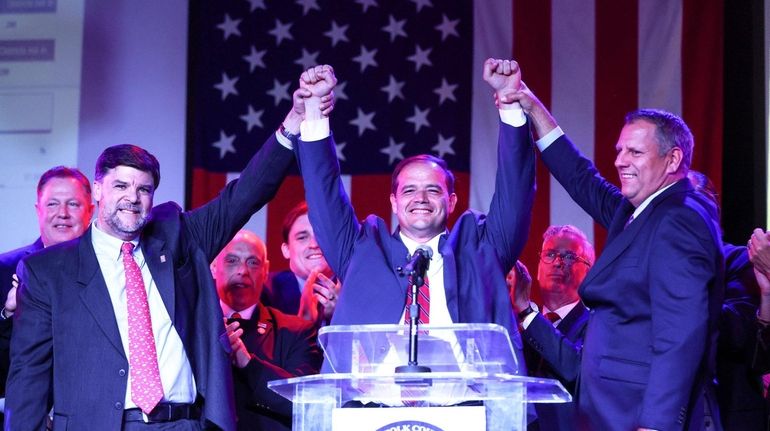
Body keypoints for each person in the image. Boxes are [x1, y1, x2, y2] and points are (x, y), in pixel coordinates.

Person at [6, 68, 334, 430]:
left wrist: (293, 122)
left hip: (182, 424)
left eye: (143, 189)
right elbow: (29, 375)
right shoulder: (49, 271)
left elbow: (244, 197)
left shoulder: (179, 237)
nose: (132, 198)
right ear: (97, 190)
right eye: (121, 186)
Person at [505, 77, 723, 429]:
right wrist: (532, 107)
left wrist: (656, 423)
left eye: (635, 152)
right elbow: (581, 178)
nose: (620, 160)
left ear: (673, 159)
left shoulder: (680, 219)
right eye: (620, 150)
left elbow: (681, 334)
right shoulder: (638, 212)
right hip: (609, 410)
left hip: (638, 414)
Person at [294, 60, 535, 375]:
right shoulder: (363, 251)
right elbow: (323, 194)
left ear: (451, 201)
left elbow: (515, 190)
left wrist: (510, 103)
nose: (420, 198)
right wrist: (313, 114)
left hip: (465, 405)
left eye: (432, 191)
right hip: (372, 406)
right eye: (409, 191)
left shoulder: (481, 250)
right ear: (393, 202)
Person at [0, 166, 94, 422]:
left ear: (91, 211)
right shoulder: (4, 268)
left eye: (73, 204)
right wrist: (8, 313)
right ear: (38, 210)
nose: (62, 214)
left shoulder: (113, 269)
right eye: (52, 204)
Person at [213, 230, 322, 430]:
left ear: (265, 271)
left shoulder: (296, 331)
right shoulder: (192, 327)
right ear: (213, 266)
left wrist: (247, 363)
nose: (243, 271)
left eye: (253, 262)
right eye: (232, 260)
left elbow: (306, 401)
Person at [509, 225, 593, 431]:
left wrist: (527, 313)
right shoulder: (516, 327)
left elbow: (576, 369)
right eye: (550, 254)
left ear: (589, 272)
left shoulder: (599, 323)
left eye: (570, 257)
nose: (557, 262)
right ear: (538, 268)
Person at [262, 201, 340, 325]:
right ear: (286, 250)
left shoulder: (358, 289)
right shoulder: (265, 292)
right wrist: (303, 324)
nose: (314, 244)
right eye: (302, 237)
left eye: (321, 235)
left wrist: (340, 316)